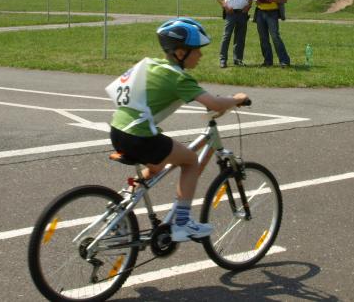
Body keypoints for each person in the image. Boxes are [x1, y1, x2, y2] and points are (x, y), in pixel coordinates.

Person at [106, 18, 248, 242]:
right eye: (196, 51)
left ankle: (118, 211)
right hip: (140, 137)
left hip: (118, 131)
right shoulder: (179, 78)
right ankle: (182, 224)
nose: (200, 55)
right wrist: (237, 99)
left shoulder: (150, 64)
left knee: (156, 167)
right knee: (190, 160)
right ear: (180, 52)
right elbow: (214, 104)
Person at [215, 0, 254, 68]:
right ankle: (223, 60)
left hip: (242, 14)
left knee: (240, 37)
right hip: (231, 13)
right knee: (226, 36)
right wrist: (225, 5)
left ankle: (238, 59)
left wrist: (249, 6)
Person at [255, 0, 291, 67]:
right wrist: (257, 0)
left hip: (272, 13)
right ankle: (268, 61)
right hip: (260, 13)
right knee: (263, 38)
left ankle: (284, 60)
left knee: (275, 37)